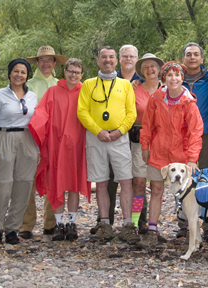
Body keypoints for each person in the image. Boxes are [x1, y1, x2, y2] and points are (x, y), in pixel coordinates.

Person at [77, 46, 139, 244]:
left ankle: (128, 224)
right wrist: (98, 131)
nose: (107, 60)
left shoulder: (125, 85)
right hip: (96, 137)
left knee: (126, 180)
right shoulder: (88, 84)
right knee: (101, 181)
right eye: (103, 57)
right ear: (98, 61)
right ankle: (104, 224)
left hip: (119, 137)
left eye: (111, 57)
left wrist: (120, 131)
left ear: (116, 61)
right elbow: (82, 111)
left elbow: (132, 113)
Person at [138, 61, 203, 248]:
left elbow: (195, 132)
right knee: (156, 191)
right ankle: (152, 230)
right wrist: (145, 146)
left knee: (187, 194)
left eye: (177, 75)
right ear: (163, 78)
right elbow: (147, 125)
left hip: (180, 156)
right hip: (158, 152)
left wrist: (191, 159)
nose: (173, 79)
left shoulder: (189, 102)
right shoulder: (156, 99)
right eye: (169, 75)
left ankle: (189, 231)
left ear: (182, 78)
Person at [89, 44, 149, 235]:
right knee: (109, 179)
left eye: (132, 56)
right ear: (119, 59)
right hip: (112, 136)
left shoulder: (145, 81)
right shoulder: (112, 79)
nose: (128, 59)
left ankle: (138, 220)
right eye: (125, 56)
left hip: (137, 137)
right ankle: (106, 221)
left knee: (137, 181)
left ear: (137, 59)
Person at [29, 58, 91, 241]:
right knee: (57, 183)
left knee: (73, 184)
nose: (73, 75)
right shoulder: (53, 91)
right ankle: (59, 223)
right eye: (70, 71)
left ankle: (71, 223)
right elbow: (41, 115)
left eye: (77, 72)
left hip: (78, 145)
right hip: (56, 145)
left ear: (82, 74)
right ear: (64, 71)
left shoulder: (85, 92)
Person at [0, 59, 39, 244]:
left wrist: (38, 150)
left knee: (23, 186)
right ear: (9, 73)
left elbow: (37, 123)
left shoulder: (32, 96)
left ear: (27, 76)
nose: (19, 75)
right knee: (2, 185)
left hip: (27, 141)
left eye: (23, 72)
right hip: (4, 137)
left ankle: (12, 228)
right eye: (16, 71)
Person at [18, 46, 67, 239]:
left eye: (50, 60)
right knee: (27, 179)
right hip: (30, 137)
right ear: (37, 63)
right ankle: (26, 224)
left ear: (55, 63)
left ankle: (50, 223)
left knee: (53, 179)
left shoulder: (61, 85)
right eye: (42, 60)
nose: (46, 64)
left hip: (55, 139)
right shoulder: (26, 84)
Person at [180, 42, 208, 242]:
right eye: (188, 54)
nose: (192, 57)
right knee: (184, 180)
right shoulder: (177, 79)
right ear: (183, 59)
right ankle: (184, 224)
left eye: (196, 54)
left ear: (202, 59)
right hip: (184, 136)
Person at [130, 53, 164, 233]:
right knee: (139, 183)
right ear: (141, 72)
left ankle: (154, 225)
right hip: (140, 141)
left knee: (158, 185)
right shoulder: (134, 89)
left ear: (159, 69)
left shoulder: (168, 88)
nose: (150, 70)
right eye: (145, 67)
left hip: (164, 142)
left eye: (153, 66)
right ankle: (135, 222)